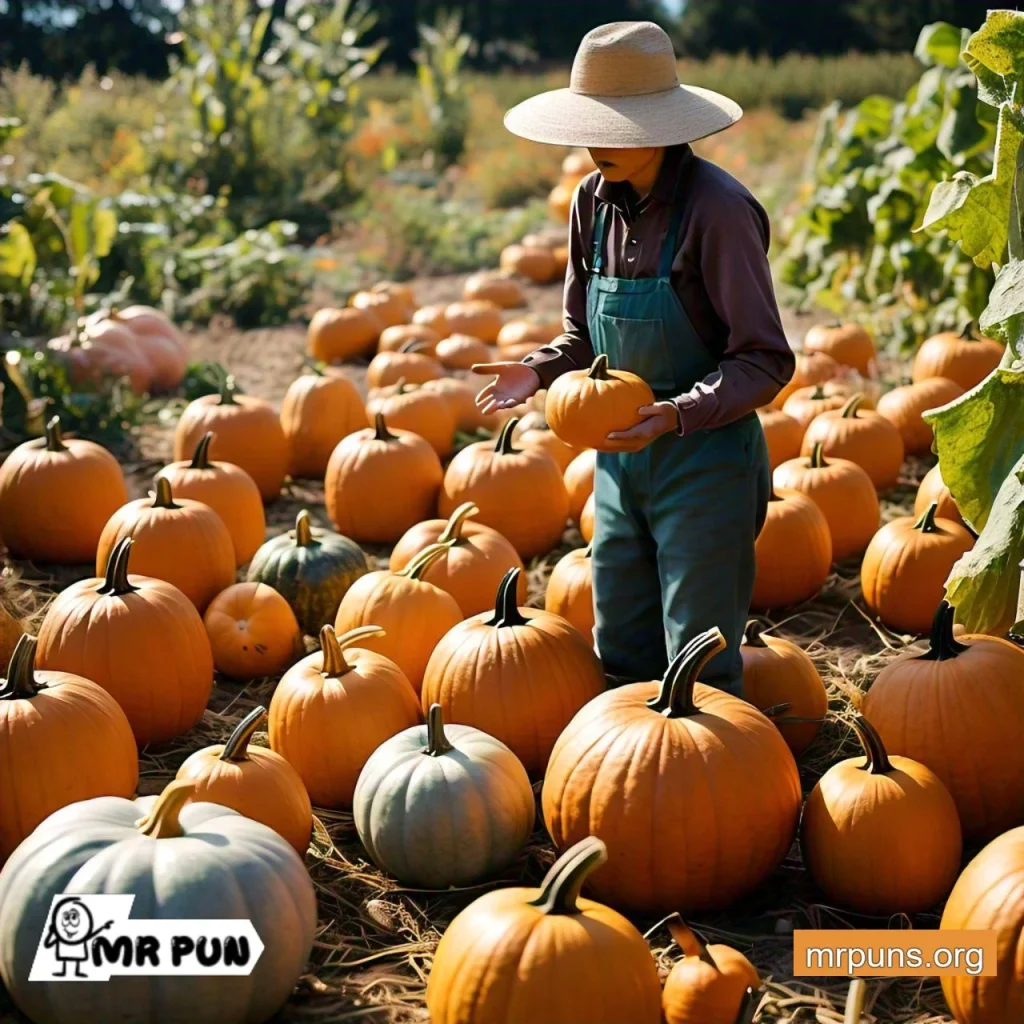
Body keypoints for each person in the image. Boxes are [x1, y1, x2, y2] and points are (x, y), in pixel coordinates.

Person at [473, 21, 795, 693]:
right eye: (591, 125)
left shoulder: (720, 211)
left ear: (665, 125)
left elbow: (764, 359)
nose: (597, 144)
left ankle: (714, 787)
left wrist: (676, 414)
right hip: (619, 465)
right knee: (619, 642)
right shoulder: (591, 203)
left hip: (705, 463)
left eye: (618, 127)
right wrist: (537, 371)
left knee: (697, 664)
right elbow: (582, 339)